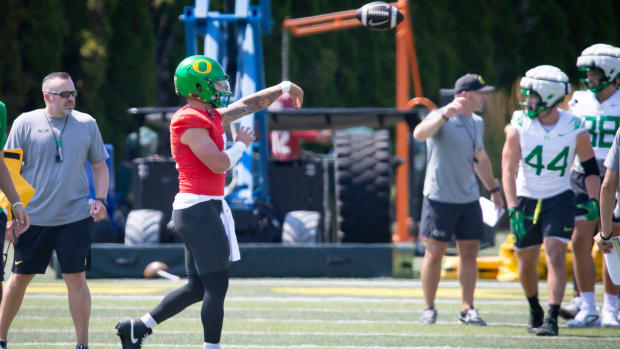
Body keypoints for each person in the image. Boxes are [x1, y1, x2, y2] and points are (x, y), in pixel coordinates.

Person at [115, 55, 304, 349]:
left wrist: (282, 87)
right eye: (215, 84)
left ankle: (138, 328)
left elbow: (248, 104)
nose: (221, 89)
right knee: (217, 285)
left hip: (204, 207)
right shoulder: (188, 119)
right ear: (196, 88)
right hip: (198, 209)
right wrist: (241, 143)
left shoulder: (209, 115)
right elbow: (218, 165)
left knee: (197, 287)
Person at [0, 72, 109, 349]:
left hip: (75, 217)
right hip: (31, 218)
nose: (71, 98)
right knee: (20, 278)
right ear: (47, 96)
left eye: (73, 93)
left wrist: (101, 199)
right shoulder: (25, 122)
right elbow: (9, 171)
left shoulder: (87, 123)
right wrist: (12, 214)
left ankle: (82, 344)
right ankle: (0, 338)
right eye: (64, 94)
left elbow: (99, 166)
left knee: (76, 278)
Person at [502, 65, 600, 336]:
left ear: (549, 95)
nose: (527, 100)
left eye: (532, 95)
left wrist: (593, 198)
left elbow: (590, 168)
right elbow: (508, 170)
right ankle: (535, 307)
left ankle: (552, 317)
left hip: (559, 197)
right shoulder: (518, 124)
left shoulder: (574, 127)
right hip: (525, 198)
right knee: (526, 259)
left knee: (556, 254)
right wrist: (512, 208)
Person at [413, 73, 504, 326]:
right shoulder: (440, 116)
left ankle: (468, 309)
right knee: (435, 253)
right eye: (480, 93)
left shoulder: (476, 122)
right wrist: (444, 115)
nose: (484, 97)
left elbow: (481, 157)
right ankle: (428, 308)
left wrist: (493, 190)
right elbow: (419, 134)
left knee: (470, 253)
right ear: (465, 95)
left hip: (468, 198)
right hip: (439, 197)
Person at [560, 43, 620, 327]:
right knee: (579, 239)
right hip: (582, 172)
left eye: (594, 73)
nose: (589, 78)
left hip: (614, 171)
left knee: (613, 240)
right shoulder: (578, 100)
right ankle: (587, 305)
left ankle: (611, 307)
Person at [269, 94, 330, 161]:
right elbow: (323, 137)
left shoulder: (269, 128)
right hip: (291, 165)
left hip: (274, 164)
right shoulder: (292, 127)